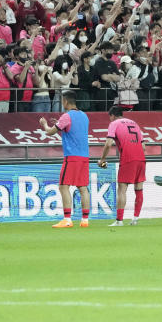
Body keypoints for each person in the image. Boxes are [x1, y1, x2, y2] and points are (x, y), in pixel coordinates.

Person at [40, 91, 91, 228]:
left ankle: (67, 219)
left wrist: (44, 124)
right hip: (84, 156)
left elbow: (50, 132)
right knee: (83, 187)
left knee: (63, 186)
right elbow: (74, 131)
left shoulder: (67, 116)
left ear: (66, 102)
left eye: (62, 101)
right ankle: (85, 220)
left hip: (72, 156)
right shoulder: (84, 116)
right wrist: (60, 124)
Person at [98, 106, 147, 226]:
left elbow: (108, 144)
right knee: (139, 189)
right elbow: (144, 146)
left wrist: (102, 160)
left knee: (121, 190)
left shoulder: (114, 123)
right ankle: (135, 219)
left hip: (128, 158)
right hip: (141, 158)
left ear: (112, 116)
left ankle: (119, 220)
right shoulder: (134, 123)